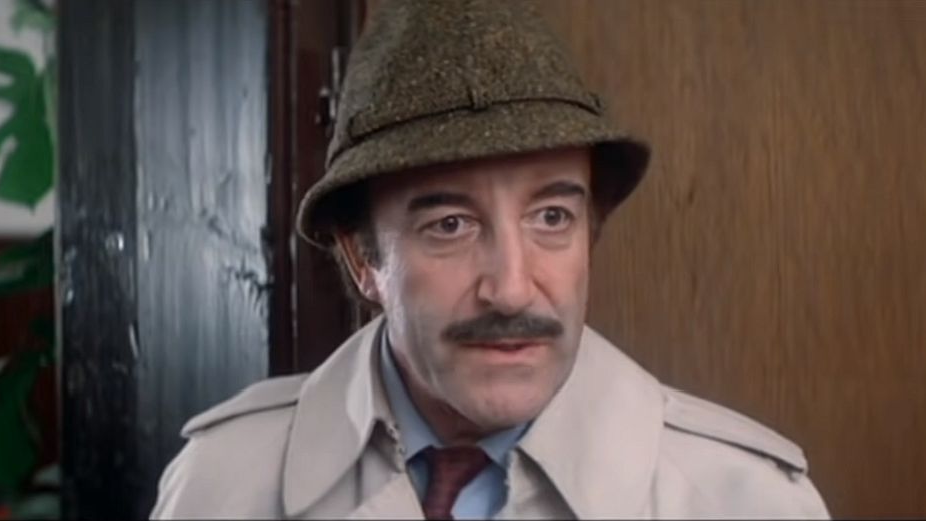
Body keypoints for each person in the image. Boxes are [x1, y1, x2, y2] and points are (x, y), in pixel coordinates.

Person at [151, 0, 830, 518]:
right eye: (450, 225)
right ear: (361, 257)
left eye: (552, 217)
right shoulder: (221, 484)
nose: (511, 289)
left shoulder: (743, 499)